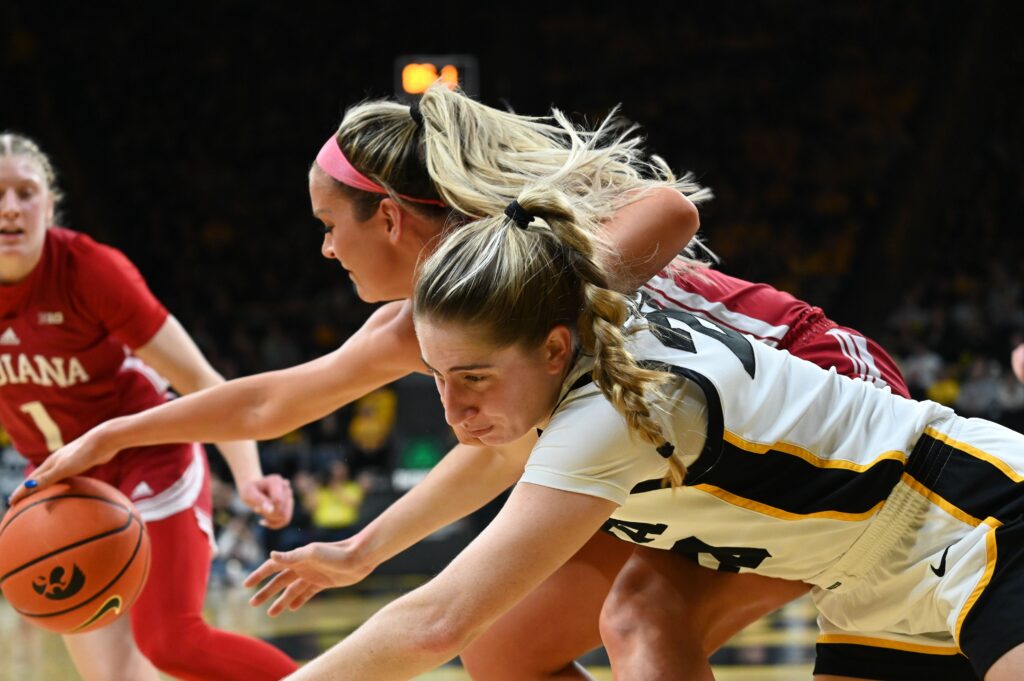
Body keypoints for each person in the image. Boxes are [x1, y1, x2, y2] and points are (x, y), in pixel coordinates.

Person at [16, 87, 901, 679]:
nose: (324, 248)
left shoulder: (518, 269)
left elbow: (671, 208)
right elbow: (270, 400)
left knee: (638, 616)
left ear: (391, 217)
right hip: (677, 453)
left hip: (818, 389)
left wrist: (563, 285)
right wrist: (115, 436)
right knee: (505, 644)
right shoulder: (427, 324)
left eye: (330, 225)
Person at [259, 185, 1022, 681]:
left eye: (475, 378)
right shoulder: (569, 360)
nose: (455, 412)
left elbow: (433, 619)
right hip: (863, 584)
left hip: (976, 516)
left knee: (615, 616)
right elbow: (483, 468)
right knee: (519, 641)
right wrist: (362, 550)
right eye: (438, 377)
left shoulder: (611, 413)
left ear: (554, 348)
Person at [0, 132, 298, 681]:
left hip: (149, 457)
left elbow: (203, 383)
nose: (10, 208)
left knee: (172, 641)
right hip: (63, 488)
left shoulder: (89, 270)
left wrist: (249, 474)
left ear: (50, 203)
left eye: (25, 191)